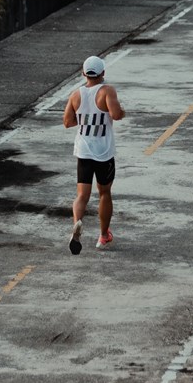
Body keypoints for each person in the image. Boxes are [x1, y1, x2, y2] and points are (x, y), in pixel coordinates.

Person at [63, 55, 126, 254]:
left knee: (82, 195)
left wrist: (85, 121)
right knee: (104, 193)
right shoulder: (107, 91)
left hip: (83, 150)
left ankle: (77, 225)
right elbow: (116, 115)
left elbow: (67, 122)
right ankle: (103, 235)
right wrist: (121, 112)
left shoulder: (75, 94)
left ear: (83, 73)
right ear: (103, 73)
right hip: (103, 152)